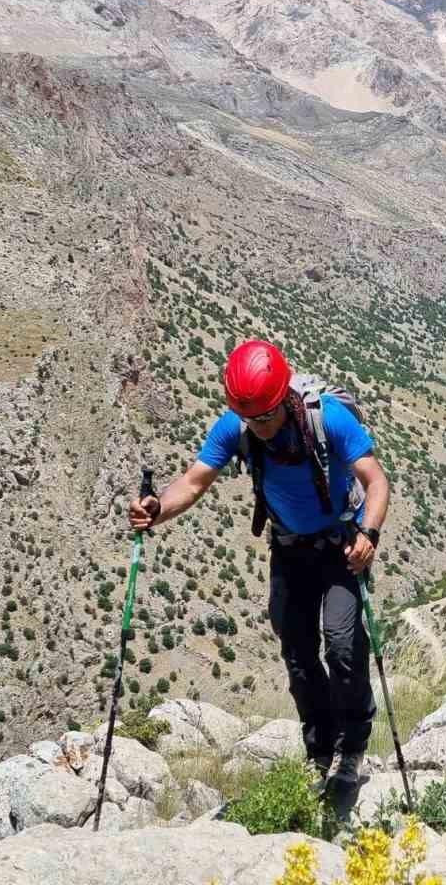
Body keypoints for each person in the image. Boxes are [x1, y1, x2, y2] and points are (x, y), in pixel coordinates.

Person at [129, 339, 390, 803]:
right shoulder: (239, 426)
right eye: (251, 418)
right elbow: (192, 484)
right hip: (289, 550)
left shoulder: (328, 418)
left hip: (340, 546)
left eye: (267, 416)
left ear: (285, 398)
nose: (261, 427)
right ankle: (320, 751)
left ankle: (353, 747)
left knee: (344, 645)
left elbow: (375, 481)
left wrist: (368, 533)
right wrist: (156, 510)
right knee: (299, 654)